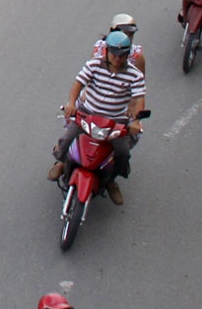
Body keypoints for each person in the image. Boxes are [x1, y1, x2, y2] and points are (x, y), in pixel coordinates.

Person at [50, 32, 146, 203]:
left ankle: (110, 180)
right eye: (114, 54)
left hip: (115, 122)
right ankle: (62, 164)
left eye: (122, 55)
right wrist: (72, 104)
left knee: (122, 153)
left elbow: (139, 99)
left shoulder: (135, 75)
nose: (117, 58)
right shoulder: (94, 65)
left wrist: (136, 121)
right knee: (68, 138)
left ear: (127, 54)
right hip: (88, 114)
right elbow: (78, 84)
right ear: (107, 51)